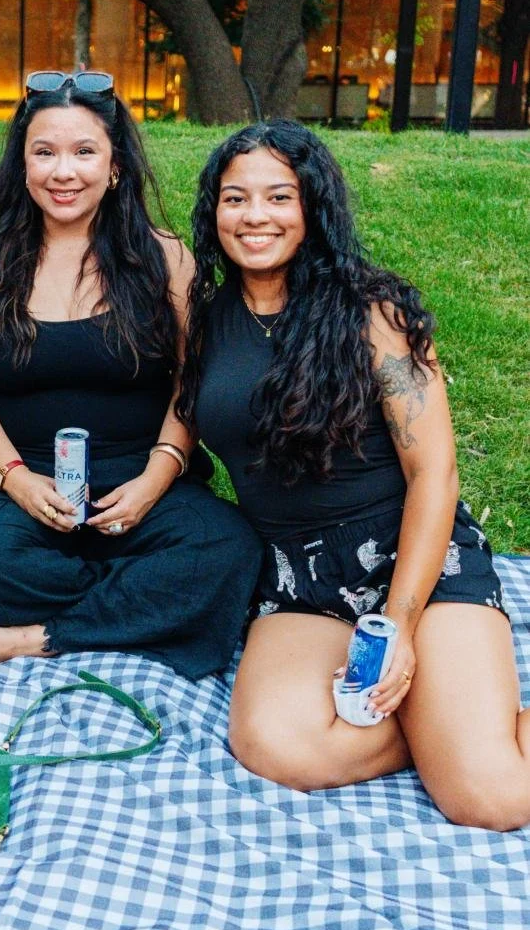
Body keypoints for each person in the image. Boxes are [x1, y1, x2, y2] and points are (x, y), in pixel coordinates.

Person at [180, 120, 530, 828]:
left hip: (413, 559)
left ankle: (463, 736)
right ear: (212, 211)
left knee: (489, 798)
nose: (255, 216)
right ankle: (445, 729)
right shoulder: (206, 318)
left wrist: (399, 623)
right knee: (272, 743)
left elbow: (434, 472)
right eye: (235, 198)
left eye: (279, 196)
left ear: (312, 206)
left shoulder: (373, 312)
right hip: (298, 578)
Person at [0, 69, 262, 676]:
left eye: (85, 152)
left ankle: (48, 635)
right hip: (21, 480)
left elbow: (193, 383)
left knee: (226, 547)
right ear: (22, 165)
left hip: (137, 480)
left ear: (114, 168)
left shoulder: (166, 260)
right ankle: (136, 606)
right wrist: (16, 480)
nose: (64, 172)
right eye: (45, 152)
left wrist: (155, 481)